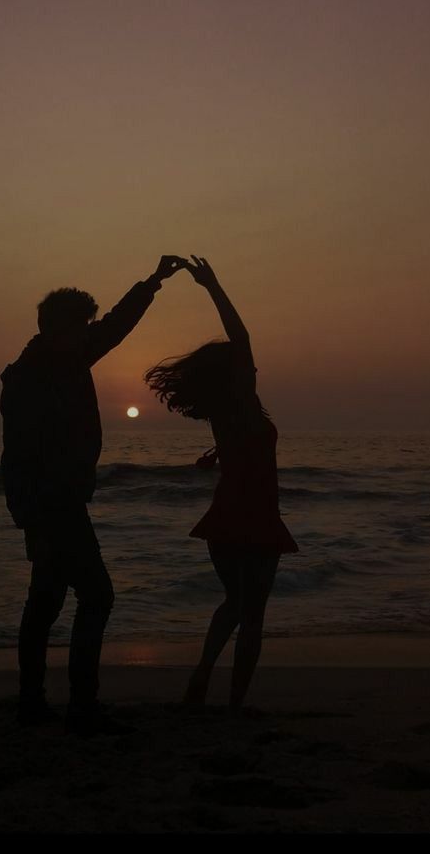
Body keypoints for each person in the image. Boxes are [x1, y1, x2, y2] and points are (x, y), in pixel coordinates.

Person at [1, 256, 187, 736]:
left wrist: (152, 282)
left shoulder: (67, 359)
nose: (88, 334)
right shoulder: (29, 380)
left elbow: (115, 327)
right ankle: (78, 706)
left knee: (46, 601)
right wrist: (30, 520)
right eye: (80, 327)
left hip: (61, 502)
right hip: (52, 507)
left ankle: (34, 703)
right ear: (57, 330)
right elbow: (17, 457)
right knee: (96, 596)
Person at [145, 256, 298, 714]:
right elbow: (242, 338)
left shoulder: (220, 413)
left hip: (225, 519)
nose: (250, 368)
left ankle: (202, 675)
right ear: (236, 374)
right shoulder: (242, 404)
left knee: (234, 604)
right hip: (255, 519)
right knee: (252, 615)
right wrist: (212, 286)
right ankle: (235, 702)